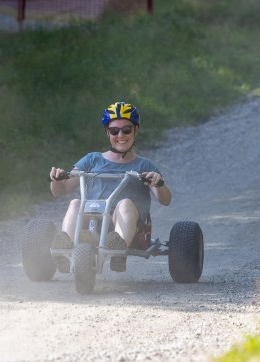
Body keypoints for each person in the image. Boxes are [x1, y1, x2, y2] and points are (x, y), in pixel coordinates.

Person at [48, 100, 171, 272]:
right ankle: (64, 248)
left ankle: (117, 248)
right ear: (108, 133)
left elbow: (165, 200)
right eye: (115, 130)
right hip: (93, 220)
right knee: (76, 203)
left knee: (125, 203)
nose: (121, 135)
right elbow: (60, 191)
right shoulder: (92, 160)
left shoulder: (144, 166)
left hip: (129, 226)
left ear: (135, 130)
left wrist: (159, 184)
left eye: (126, 129)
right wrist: (56, 180)